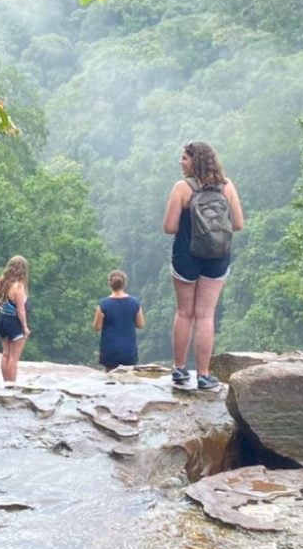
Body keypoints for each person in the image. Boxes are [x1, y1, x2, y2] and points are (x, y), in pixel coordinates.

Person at [162, 141, 245, 392]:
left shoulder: (182, 188)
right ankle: (204, 375)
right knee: (206, 315)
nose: (181, 162)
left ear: (195, 160)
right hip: (217, 256)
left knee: (185, 312)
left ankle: (179, 369)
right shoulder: (227, 186)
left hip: (187, 255)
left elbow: (169, 228)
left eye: (184, 158)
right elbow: (238, 224)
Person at [0, 255, 30, 383]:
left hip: (3, 320)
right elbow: (20, 310)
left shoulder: (3, 281)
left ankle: (6, 382)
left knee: (6, 354)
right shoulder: (18, 287)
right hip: (15, 323)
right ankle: (12, 384)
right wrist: (25, 327)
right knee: (14, 357)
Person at [93, 270, 145, 371]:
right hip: (128, 349)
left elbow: (96, 327)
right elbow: (140, 324)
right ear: (124, 284)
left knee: (110, 380)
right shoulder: (135, 302)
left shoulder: (103, 304)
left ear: (110, 284)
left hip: (110, 349)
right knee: (128, 380)